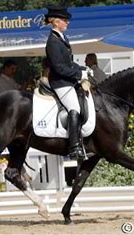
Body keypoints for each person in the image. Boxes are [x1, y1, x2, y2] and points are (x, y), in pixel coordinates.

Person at [44, 6, 88, 159]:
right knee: (74, 108)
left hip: (67, 80)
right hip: (60, 82)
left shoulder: (62, 38)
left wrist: (83, 69)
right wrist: (78, 74)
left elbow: (68, 63)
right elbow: (59, 68)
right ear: (56, 22)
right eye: (65, 20)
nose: (67, 23)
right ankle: (74, 147)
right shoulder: (53, 42)